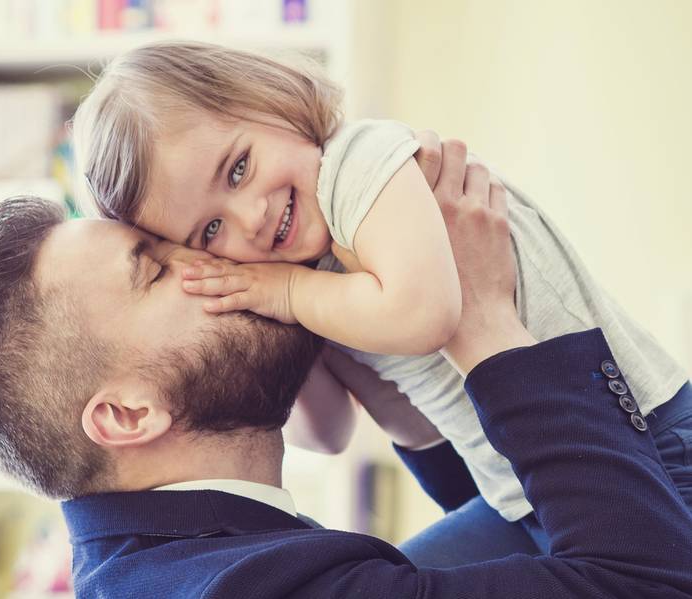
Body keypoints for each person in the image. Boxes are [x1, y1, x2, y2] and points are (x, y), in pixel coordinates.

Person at [0, 138, 692, 597]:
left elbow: (506, 560)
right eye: (158, 269)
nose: (219, 251)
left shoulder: (167, 557)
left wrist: (407, 408)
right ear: (128, 414)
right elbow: (645, 579)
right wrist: (486, 322)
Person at [70, 41, 692, 560]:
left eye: (236, 170)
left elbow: (425, 316)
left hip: (646, 445)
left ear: (273, 102)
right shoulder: (302, 270)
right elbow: (329, 430)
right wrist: (272, 323)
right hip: (529, 492)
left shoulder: (362, 166)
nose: (251, 217)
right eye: (209, 231)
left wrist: (289, 292)